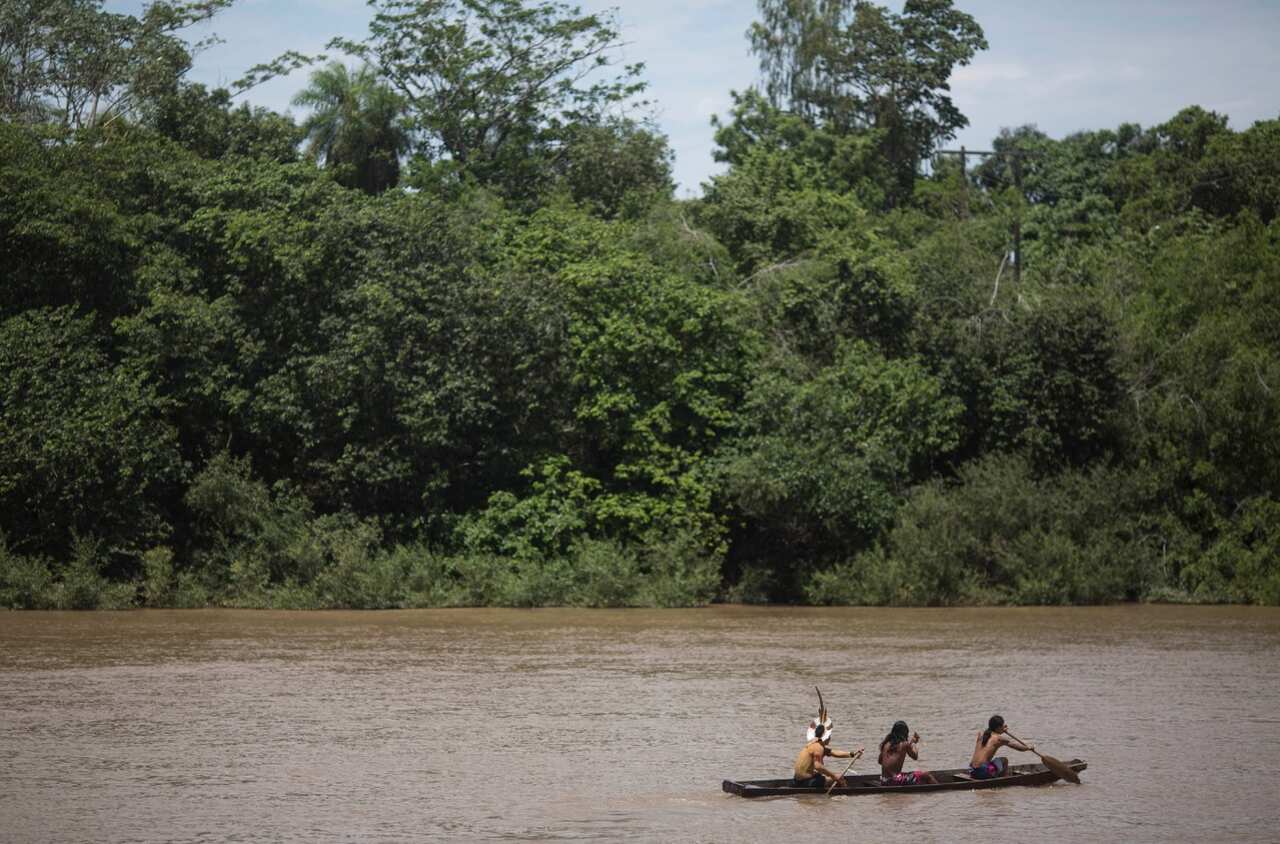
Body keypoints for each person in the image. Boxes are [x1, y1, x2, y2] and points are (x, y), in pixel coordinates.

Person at [792, 712, 863, 788]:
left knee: (821, 775)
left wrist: (852, 754)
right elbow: (818, 766)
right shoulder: (818, 748)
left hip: (796, 781)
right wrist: (834, 776)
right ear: (827, 736)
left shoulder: (812, 745)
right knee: (841, 779)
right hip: (805, 783)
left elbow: (833, 752)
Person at [968, 714, 1034, 779]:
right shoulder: (999, 738)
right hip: (983, 771)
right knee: (1004, 760)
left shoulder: (981, 735)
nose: (1003, 727)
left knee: (988, 763)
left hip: (972, 770)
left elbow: (994, 732)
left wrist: (1001, 730)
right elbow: (1019, 748)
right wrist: (1028, 748)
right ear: (998, 727)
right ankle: (1003, 780)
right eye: (1002, 726)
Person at [877, 720, 939, 785]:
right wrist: (914, 743)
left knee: (914, 775)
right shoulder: (905, 744)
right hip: (894, 781)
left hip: (883, 781)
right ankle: (940, 790)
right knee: (927, 775)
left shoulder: (886, 744)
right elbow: (915, 756)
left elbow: (880, 761)